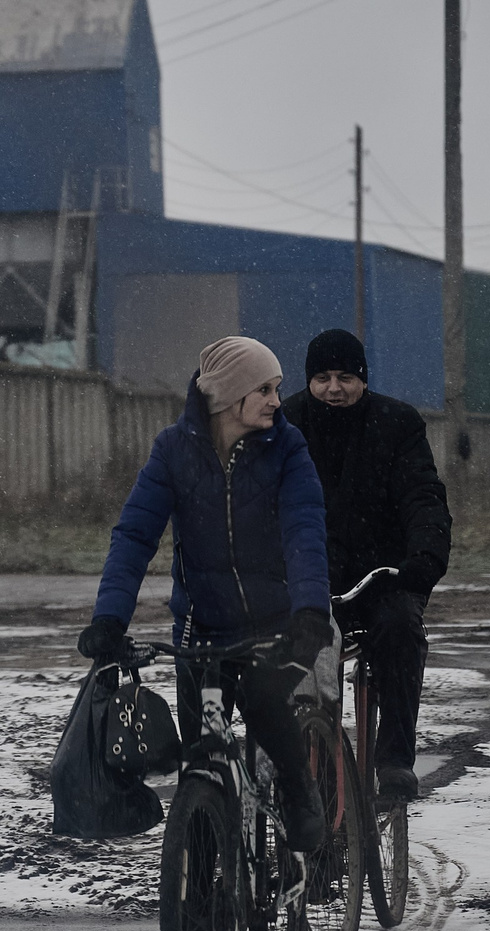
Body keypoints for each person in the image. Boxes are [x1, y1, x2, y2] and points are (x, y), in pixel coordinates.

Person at [79, 335, 333, 853]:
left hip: (278, 628)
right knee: (200, 765)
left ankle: (298, 792)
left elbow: (304, 530)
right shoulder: (173, 452)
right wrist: (109, 619)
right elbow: (134, 536)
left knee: (265, 697)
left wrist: (310, 612)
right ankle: (199, 907)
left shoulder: (288, 449)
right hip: (203, 631)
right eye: (263, 389)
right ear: (227, 397)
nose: (275, 401)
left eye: (277, 388)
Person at [279, 329, 451, 806]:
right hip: (311, 576)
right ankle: (301, 764)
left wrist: (424, 558)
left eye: (346, 378)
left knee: (399, 630)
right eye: (323, 378)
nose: (334, 388)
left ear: (363, 379)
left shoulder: (396, 423)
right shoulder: (286, 423)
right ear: (309, 381)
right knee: (287, 653)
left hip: (383, 576)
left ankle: (394, 761)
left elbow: (422, 497)